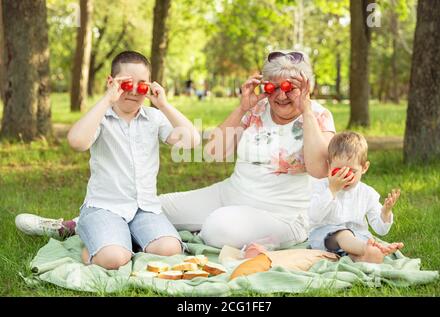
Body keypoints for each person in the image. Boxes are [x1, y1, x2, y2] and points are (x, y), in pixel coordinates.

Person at [16, 50, 335, 251]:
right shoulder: (257, 109)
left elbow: (320, 169)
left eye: (290, 88)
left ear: (307, 88)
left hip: (282, 215)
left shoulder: (319, 116)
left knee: (217, 228)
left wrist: (305, 111)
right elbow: (214, 152)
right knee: (150, 207)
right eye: (272, 87)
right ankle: (71, 225)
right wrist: (242, 109)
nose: (280, 96)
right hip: (230, 194)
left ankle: (119, 242)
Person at [22, 50, 200, 270]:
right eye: (127, 84)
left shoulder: (154, 118)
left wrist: (163, 104)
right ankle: (92, 239)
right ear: (112, 82)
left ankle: (118, 238)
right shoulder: (101, 117)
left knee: (170, 250)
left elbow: (192, 140)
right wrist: (107, 100)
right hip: (104, 207)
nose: (134, 91)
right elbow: (77, 142)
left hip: (144, 209)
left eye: (142, 85)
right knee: (114, 259)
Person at [307, 131, 404, 263]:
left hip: (358, 238)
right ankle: (369, 249)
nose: (345, 176)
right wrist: (332, 190)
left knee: (362, 245)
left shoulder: (367, 193)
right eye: (339, 171)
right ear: (330, 166)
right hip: (328, 238)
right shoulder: (322, 187)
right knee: (344, 234)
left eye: (351, 171)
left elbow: (380, 230)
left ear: (364, 168)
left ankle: (363, 256)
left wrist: (385, 212)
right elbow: (313, 217)